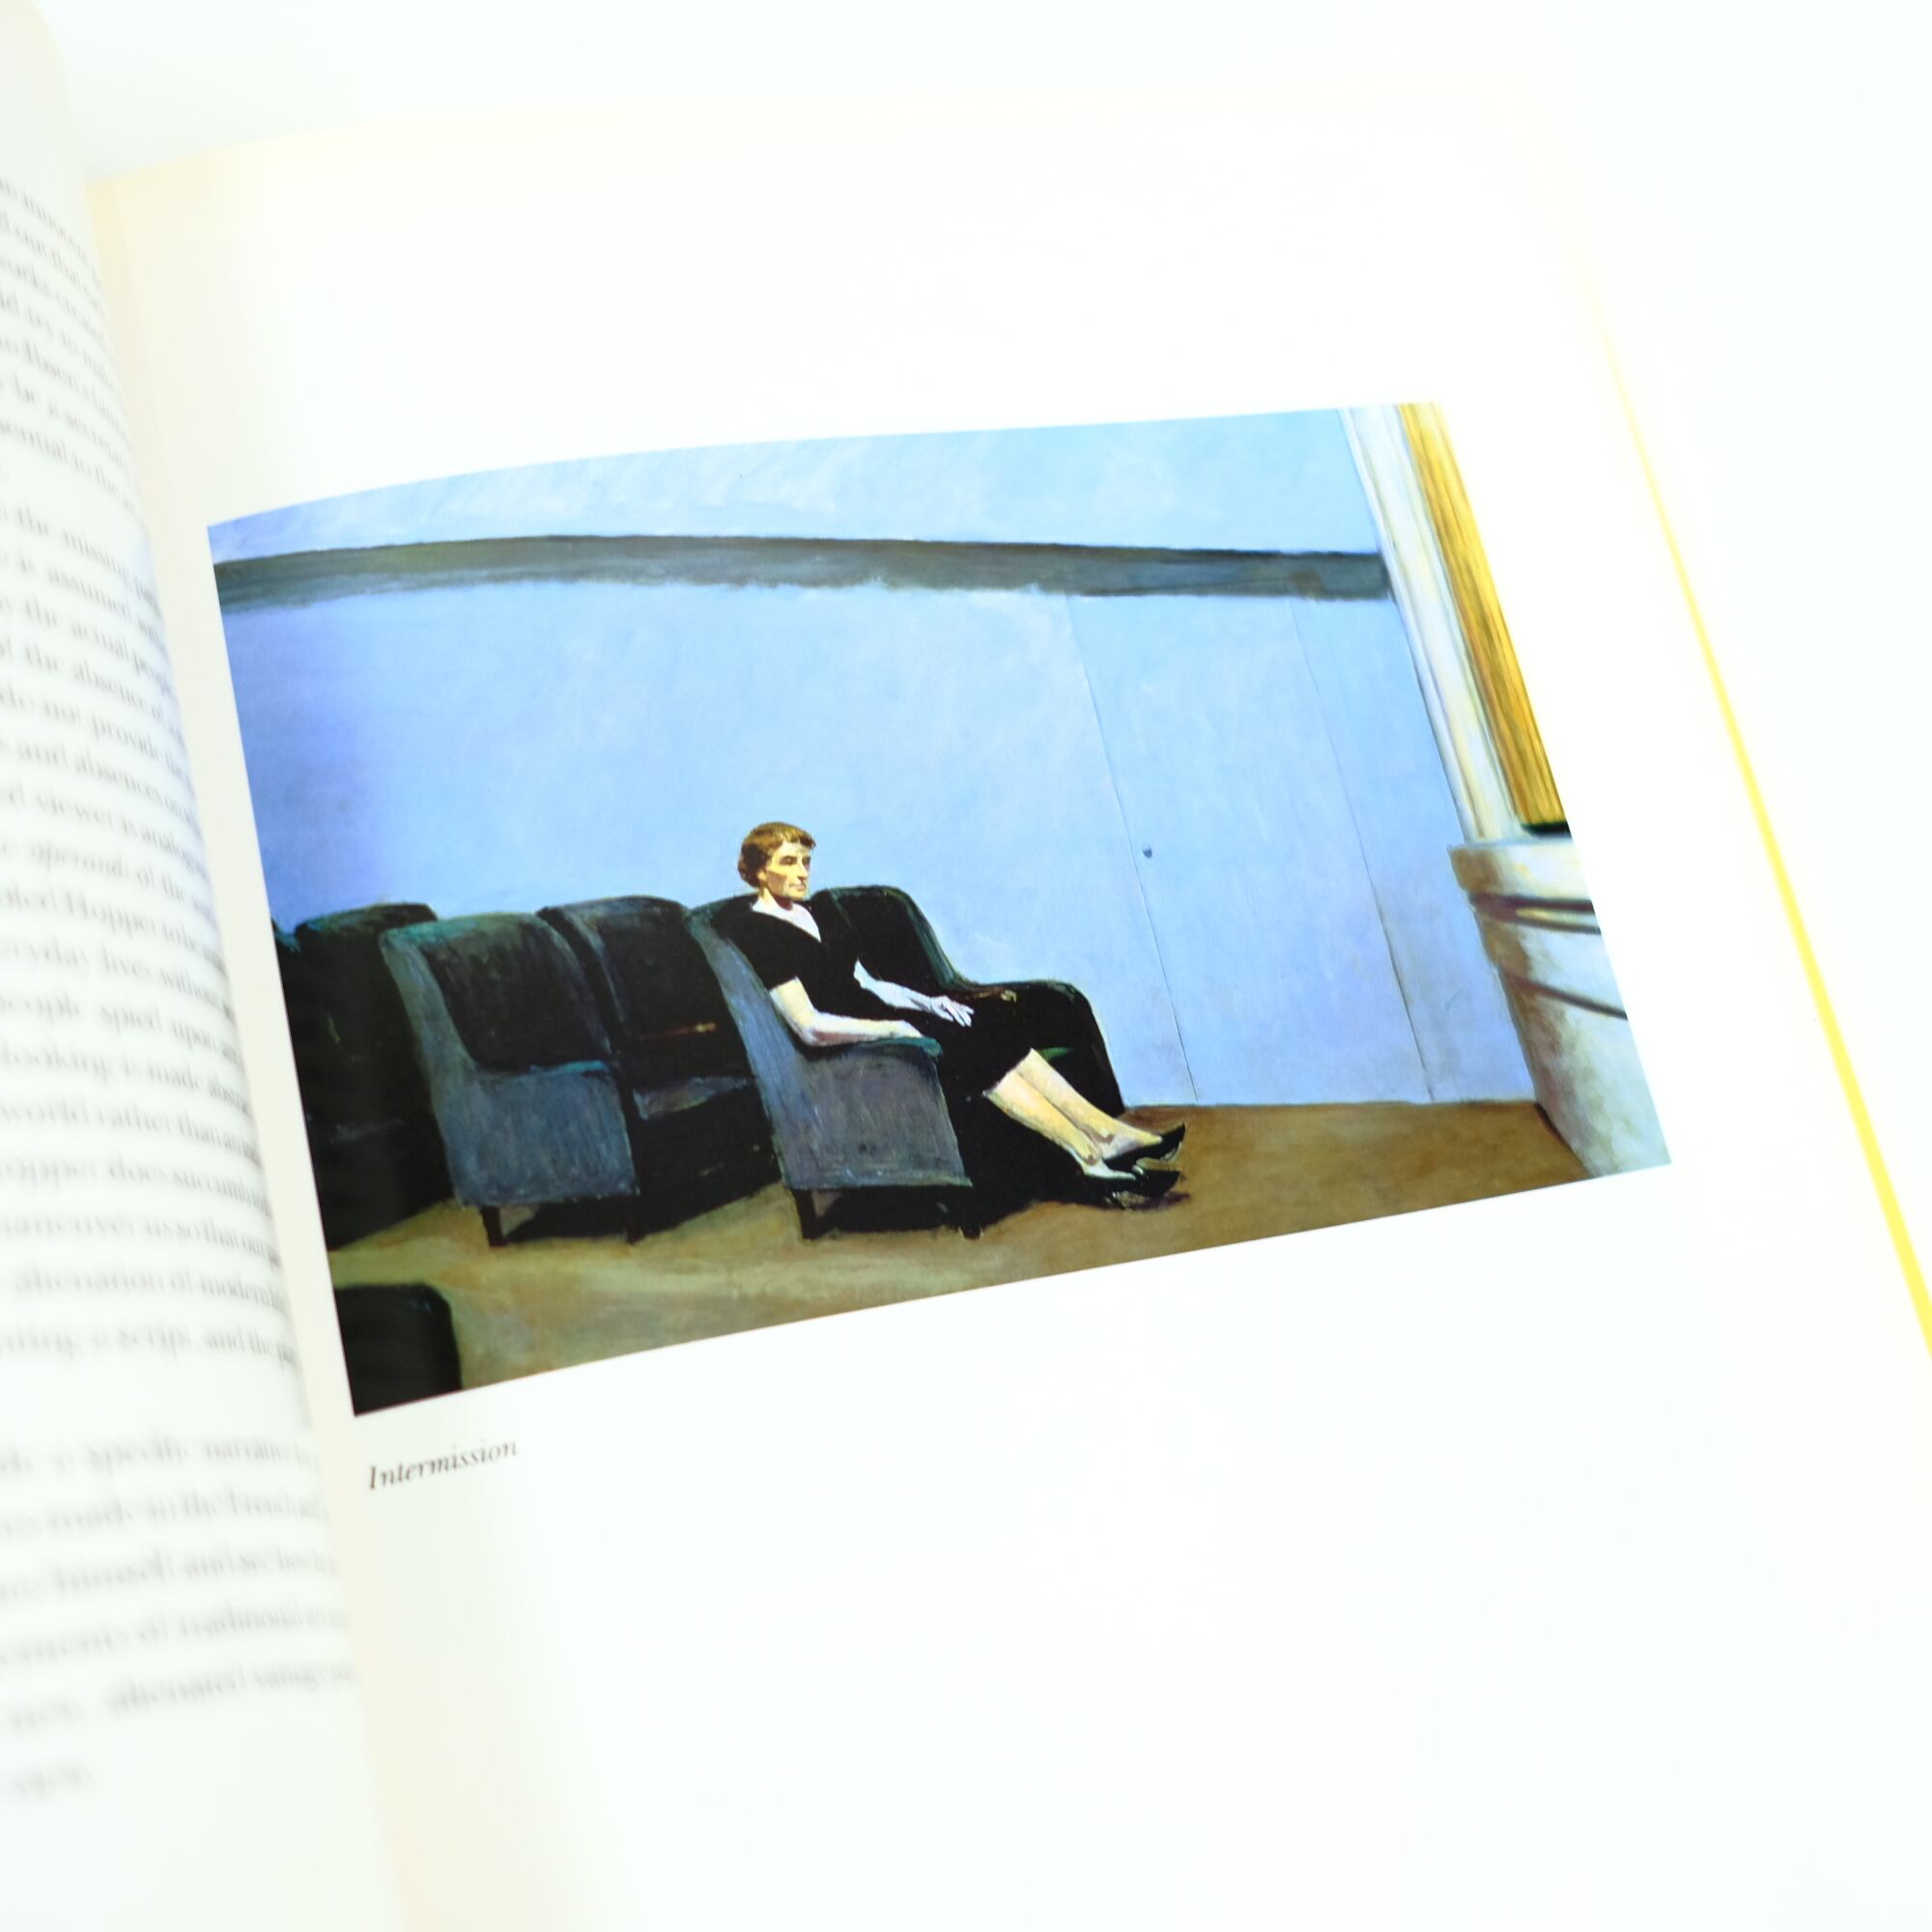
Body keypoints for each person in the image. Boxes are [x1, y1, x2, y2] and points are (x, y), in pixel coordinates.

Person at [718, 821, 1184, 1207]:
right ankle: (1088, 1154)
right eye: (788, 862)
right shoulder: (756, 932)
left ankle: (1103, 1134)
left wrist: (929, 1002)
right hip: (851, 1040)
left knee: (988, 1023)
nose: (802, 872)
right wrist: (892, 1026)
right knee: (967, 1046)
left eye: (805, 861)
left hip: (884, 1015)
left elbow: (865, 983)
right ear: (758, 871)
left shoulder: (819, 912)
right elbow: (808, 1026)